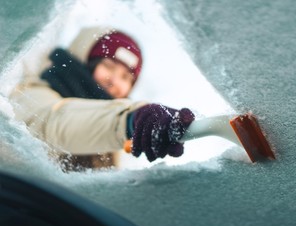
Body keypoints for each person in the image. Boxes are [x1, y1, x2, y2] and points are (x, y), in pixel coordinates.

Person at [9, 26, 194, 171]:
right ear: (86, 61)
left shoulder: (119, 145)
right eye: (108, 66)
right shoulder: (32, 92)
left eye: (126, 77)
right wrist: (129, 121)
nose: (114, 81)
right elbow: (54, 124)